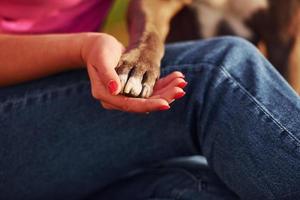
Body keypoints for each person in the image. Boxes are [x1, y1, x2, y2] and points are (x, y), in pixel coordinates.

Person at [0, 0, 299, 200]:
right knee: (218, 71)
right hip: (14, 126)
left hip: (66, 136)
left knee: (202, 189)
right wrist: (83, 47)